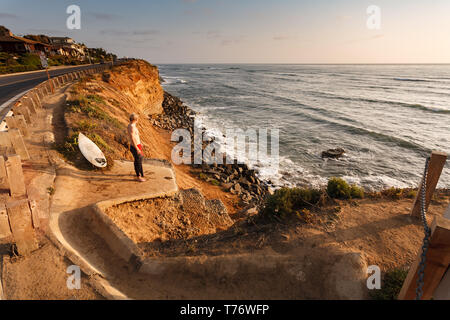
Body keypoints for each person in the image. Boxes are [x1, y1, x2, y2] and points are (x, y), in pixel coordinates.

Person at [127, 113, 146, 182]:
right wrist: (137, 148)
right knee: (138, 161)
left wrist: (140, 143)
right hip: (135, 146)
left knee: (140, 160)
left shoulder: (132, 125)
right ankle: (138, 176)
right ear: (135, 119)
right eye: (137, 119)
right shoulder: (131, 127)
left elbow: (136, 137)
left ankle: (141, 174)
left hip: (137, 145)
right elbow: (132, 138)